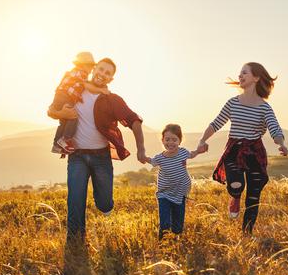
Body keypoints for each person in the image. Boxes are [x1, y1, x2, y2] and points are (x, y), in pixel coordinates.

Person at [47, 57, 147, 244]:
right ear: (94, 70)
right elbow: (51, 110)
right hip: (77, 156)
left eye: (108, 73)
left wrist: (141, 149)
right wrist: (62, 114)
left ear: (110, 79)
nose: (103, 74)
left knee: (104, 202)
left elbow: (134, 120)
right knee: (75, 200)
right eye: (101, 69)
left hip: (101, 158)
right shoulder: (76, 89)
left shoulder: (111, 99)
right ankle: (75, 243)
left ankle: (103, 203)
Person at [196, 62, 288, 234]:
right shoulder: (233, 103)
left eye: (244, 73)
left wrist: (281, 143)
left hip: (255, 152)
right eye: (239, 73)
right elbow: (216, 123)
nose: (239, 76)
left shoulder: (264, 107)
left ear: (256, 78)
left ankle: (247, 234)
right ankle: (235, 196)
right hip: (234, 150)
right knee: (237, 184)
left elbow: (274, 128)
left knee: (253, 196)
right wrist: (202, 140)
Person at [144, 124, 206, 240]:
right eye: (167, 139)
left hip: (180, 193)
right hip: (164, 194)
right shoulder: (160, 158)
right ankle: (163, 243)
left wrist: (199, 150)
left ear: (180, 141)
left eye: (174, 140)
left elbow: (192, 154)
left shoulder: (183, 153)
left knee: (178, 224)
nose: (170, 143)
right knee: (165, 222)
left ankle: (175, 242)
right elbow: (151, 161)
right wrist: (143, 157)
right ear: (162, 140)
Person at [50, 52, 111, 154]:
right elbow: (86, 86)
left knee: (64, 122)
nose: (91, 69)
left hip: (60, 96)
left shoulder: (73, 73)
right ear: (83, 65)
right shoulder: (81, 73)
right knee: (73, 116)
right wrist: (101, 90)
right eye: (90, 66)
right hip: (64, 97)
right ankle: (65, 139)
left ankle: (56, 145)